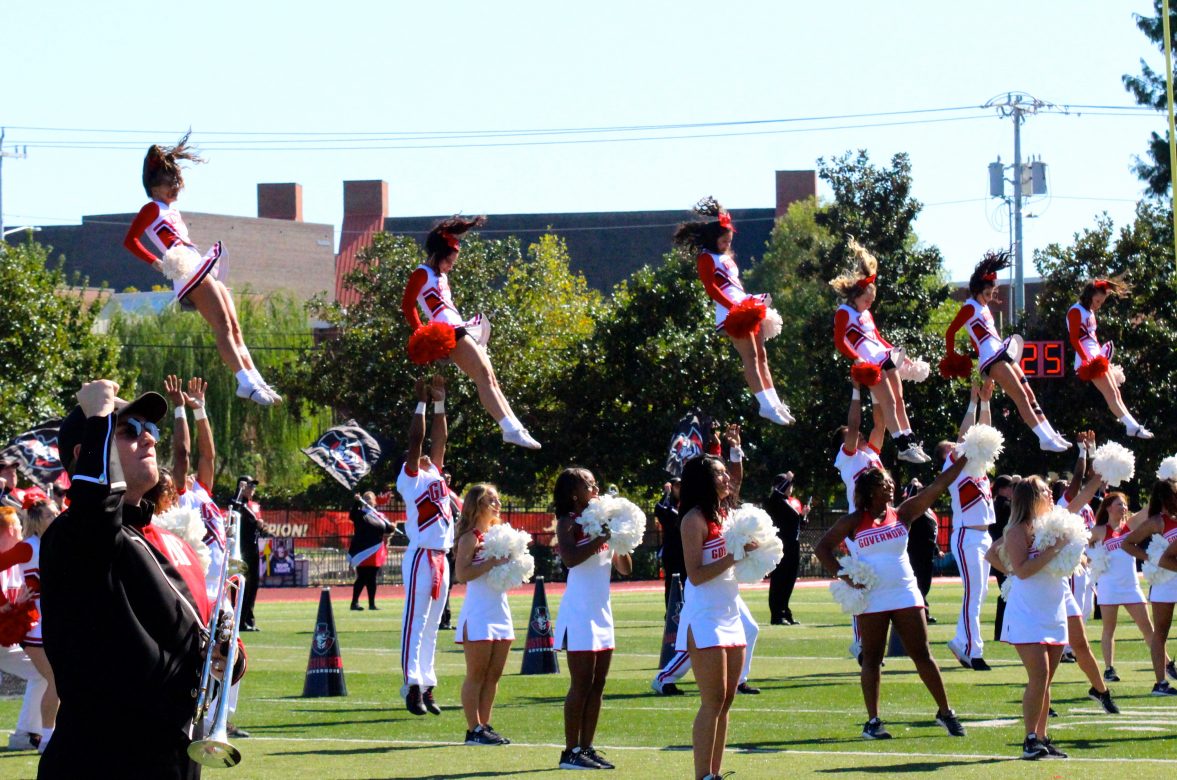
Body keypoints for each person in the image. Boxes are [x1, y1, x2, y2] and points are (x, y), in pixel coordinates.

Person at [39, 380, 242, 778]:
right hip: (102, 760)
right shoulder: (75, 535)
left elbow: (195, 642)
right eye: (129, 430)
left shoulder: (170, 542)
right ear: (87, 456)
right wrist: (98, 417)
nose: (148, 439)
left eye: (152, 430)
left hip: (172, 758)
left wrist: (225, 656)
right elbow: (96, 509)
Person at [815, 461, 969, 741]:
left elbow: (937, 487)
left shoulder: (903, 512)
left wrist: (964, 460)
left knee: (922, 653)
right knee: (872, 658)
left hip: (904, 591)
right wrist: (846, 577)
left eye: (891, 483)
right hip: (872, 595)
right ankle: (873, 722)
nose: (891, 486)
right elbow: (822, 547)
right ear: (871, 489)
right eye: (885, 483)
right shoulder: (853, 520)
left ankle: (945, 712)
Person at [122, 134, 278, 406]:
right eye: (169, 184)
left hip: (199, 264)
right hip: (186, 272)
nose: (175, 188)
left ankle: (255, 379)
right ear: (154, 186)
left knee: (234, 327)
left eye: (177, 183)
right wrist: (157, 263)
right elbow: (130, 241)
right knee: (222, 326)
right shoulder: (151, 208)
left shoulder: (171, 209)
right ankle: (244, 381)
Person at [400, 216, 540, 449]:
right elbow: (408, 305)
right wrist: (422, 332)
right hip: (448, 331)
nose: (451, 266)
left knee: (490, 378)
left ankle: (515, 427)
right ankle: (510, 428)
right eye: (449, 261)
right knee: (483, 377)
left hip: (460, 327)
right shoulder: (421, 273)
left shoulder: (442, 277)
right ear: (437, 254)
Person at [674, 197, 793, 426]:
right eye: (723, 240)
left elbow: (735, 285)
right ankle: (764, 405)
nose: (726, 244)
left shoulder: (725, 257)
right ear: (713, 237)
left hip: (744, 303)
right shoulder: (706, 258)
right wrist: (734, 308)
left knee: (761, 356)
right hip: (731, 311)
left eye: (729, 240)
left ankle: (775, 402)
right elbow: (712, 288)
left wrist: (748, 304)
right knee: (749, 356)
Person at [673, 455, 756, 780]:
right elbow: (694, 574)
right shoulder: (693, 519)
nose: (726, 479)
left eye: (725, 474)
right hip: (705, 613)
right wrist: (734, 556)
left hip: (730, 609)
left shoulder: (724, 515)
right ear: (704, 481)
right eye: (719, 474)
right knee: (712, 699)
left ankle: (714, 773)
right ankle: (701, 775)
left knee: (727, 699)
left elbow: (737, 478)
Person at [942, 251, 1069, 451]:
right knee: (1021, 395)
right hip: (992, 358)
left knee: (1029, 392)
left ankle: (1051, 434)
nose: (990, 296)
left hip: (1001, 352)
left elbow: (976, 341)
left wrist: (986, 374)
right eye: (987, 293)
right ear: (977, 289)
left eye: (992, 292)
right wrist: (953, 358)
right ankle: (1043, 439)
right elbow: (950, 332)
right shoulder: (969, 307)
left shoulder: (984, 309)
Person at [990, 476, 1077, 759]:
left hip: (1052, 606)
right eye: (1043, 490)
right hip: (1028, 611)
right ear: (1030, 497)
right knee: (1038, 675)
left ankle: (1042, 737)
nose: (1050, 492)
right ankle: (1029, 740)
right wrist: (1055, 550)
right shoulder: (1018, 529)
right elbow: (1021, 569)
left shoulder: (1051, 525)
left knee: (1047, 679)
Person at [552, 467, 632, 770]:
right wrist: (601, 536)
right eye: (589, 484)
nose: (595, 487)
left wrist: (618, 540)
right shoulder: (567, 522)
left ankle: (586, 747)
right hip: (580, 611)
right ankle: (570, 751)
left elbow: (625, 568)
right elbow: (571, 559)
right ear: (574, 493)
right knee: (581, 683)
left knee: (599, 684)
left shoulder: (601, 522)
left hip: (602, 609)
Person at [830, 239, 929, 463]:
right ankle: (902, 445)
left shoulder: (866, 313)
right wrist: (856, 360)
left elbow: (878, 337)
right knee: (889, 402)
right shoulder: (844, 312)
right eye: (867, 300)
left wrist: (903, 357)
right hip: (868, 361)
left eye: (872, 301)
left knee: (899, 399)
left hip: (882, 354)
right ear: (856, 295)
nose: (869, 304)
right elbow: (839, 341)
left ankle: (910, 439)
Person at [398, 376, 455, 717]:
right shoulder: (410, 477)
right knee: (415, 622)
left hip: (441, 556)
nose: (426, 457)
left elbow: (440, 438)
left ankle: (428, 684)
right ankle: (411, 685)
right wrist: (420, 403)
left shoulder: (434, 472)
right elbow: (416, 439)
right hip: (421, 556)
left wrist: (440, 403)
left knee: (434, 624)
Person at [937, 382, 997, 671]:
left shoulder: (979, 468)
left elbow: (984, 437)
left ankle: (961, 642)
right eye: (953, 447)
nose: (959, 447)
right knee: (973, 593)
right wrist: (972, 404)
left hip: (984, 537)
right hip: (967, 537)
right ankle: (974, 651)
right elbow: (966, 439)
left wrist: (985, 403)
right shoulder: (953, 470)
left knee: (980, 593)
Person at [453, 483, 514, 747]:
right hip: (478, 611)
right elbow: (462, 574)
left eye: (498, 500)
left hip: (500, 609)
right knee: (476, 674)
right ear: (478, 505)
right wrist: (492, 562)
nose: (497, 505)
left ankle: (485, 726)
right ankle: (472, 729)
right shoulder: (470, 537)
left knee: (494, 674)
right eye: (492, 501)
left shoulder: (497, 534)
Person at [0, 492, 59, 752]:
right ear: (36, 520)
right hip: (34, 624)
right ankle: (46, 739)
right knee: (54, 679)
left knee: (56, 680)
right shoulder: (29, 547)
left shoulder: (59, 542)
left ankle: (39, 734)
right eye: (50, 514)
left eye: (57, 512)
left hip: (58, 620)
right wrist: (4, 601)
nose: (56, 516)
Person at [1067, 277, 1152, 437]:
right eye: (1097, 301)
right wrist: (1087, 359)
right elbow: (1074, 339)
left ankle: (1133, 426)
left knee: (1115, 392)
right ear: (1089, 294)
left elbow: (1093, 338)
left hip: (1096, 354)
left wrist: (1104, 357)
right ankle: (1132, 427)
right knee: (1110, 394)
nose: (1098, 305)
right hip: (1087, 359)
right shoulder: (1075, 311)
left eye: (1101, 302)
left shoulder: (1089, 312)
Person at [1090, 491, 1156, 687]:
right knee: (1109, 629)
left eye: (1125, 504)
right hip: (1109, 586)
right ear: (1109, 507)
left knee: (1148, 628)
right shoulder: (1100, 531)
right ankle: (1109, 668)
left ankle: (1166, 663)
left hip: (1131, 586)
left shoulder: (1131, 525)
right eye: (1119, 504)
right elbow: (1080, 542)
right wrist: (1091, 558)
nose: (1124, 508)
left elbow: (1149, 509)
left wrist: (1167, 484)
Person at [1120, 477, 1177, 696]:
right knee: (1161, 632)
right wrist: (1149, 558)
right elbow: (1127, 543)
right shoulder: (1157, 521)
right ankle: (1160, 683)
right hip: (1163, 581)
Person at [766, 472, 808, 625]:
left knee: (789, 580)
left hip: (793, 545)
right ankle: (777, 614)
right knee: (780, 580)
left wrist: (804, 517)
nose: (791, 487)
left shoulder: (789, 502)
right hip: (781, 546)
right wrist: (788, 478)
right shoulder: (775, 500)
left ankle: (785, 611)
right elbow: (776, 494)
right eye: (788, 485)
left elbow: (796, 525)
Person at [348, 491, 395, 611]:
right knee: (362, 577)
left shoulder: (379, 515)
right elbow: (352, 515)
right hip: (363, 550)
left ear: (374, 501)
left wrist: (392, 527)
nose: (368, 500)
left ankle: (372, 604)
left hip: (376, 550)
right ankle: (354, 603)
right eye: (366, 498)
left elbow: (387, 529)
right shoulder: (360, 514)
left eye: (370, 499)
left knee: (372, 578)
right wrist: (357, 502)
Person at [903, 479, 941, 622]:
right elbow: (910, 499)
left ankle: (923, 613)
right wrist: (913, 485)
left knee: (924, 585)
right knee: (919, 584)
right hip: (916, 553)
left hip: (927, 553)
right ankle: (917, 614)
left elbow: (932, 532)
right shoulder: (913, 509)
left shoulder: (928, 510)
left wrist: (937, 550)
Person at [236, 477, 268, 631]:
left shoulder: (254, 505)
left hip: (253, 549)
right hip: (241, 550)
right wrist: (239, 492)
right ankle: (240, 621)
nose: (252, 490)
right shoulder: (236, 503)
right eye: (249, 486)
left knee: (253, 585)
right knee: (242, 585)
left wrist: (262, 527)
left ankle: (249, 619)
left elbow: (256, 525)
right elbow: (235, 508)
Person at [990, 474, 1018, 641]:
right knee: (1008, 591)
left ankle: (1001, 630)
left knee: (1005, 590)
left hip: (996, 550)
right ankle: (1004, 629)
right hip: (1005, 551)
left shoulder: (994, 504)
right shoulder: (1007, 506)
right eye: (1010, 487)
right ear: (1002, 489)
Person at [655, 478, 685, 605]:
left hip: (686, 551)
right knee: (671, 584)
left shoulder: (686, 504)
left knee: (687, 583)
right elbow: (660, 510)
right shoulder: (666, 506)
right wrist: (666, 493)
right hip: (672, 552)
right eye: (677, 485)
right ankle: (671, 614)